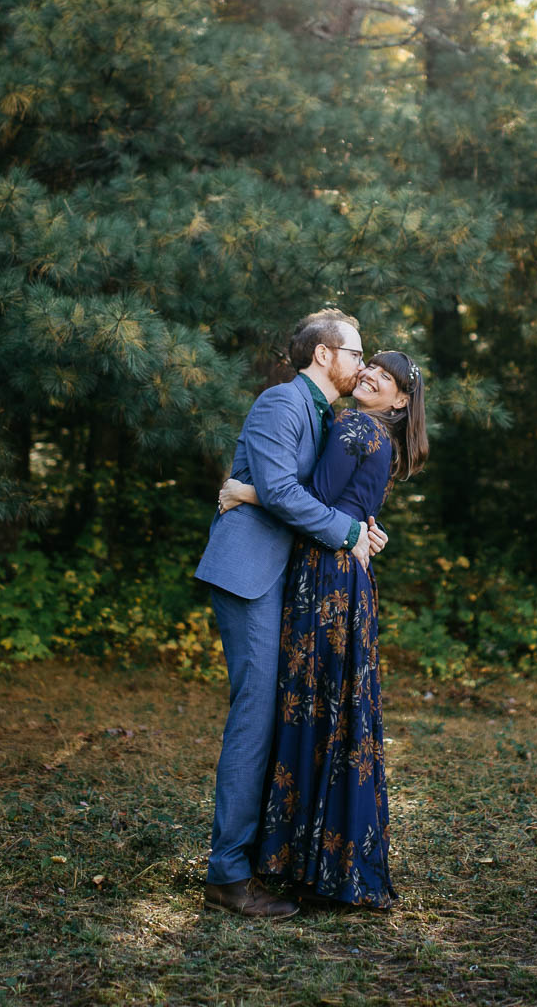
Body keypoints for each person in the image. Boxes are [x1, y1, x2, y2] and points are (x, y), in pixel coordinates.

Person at [214, 349, 428, 911]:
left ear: (401, 400)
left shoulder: (357, 425)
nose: (372, 373)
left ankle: (305, 861)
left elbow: (306, 498)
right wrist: (359, 527)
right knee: (334, 712)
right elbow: (340, 506)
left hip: (326, 578)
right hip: (341, 574)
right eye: (370, 362)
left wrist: (246, 491)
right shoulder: (365, 428)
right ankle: (324, 862)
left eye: (387, 375)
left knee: (316, 710)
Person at [193, 309, 388, 920]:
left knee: (284, 715)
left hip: (292, 581)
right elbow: (280, 492)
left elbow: (301, 491)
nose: (363, 364)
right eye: (357, 353)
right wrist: (348, 529)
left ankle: (268, 859)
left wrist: (362, 523)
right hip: (253, 575)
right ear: (325, 354)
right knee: (256, 716)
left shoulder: (330, 416)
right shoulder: (281, 402)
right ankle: (227, 875)